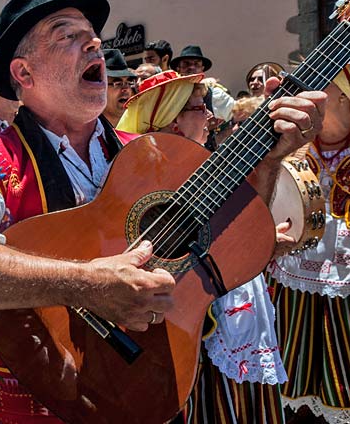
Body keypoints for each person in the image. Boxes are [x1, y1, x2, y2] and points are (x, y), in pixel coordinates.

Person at [0, 0, 325, 423]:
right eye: (65, 35)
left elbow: (226, 240)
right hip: (40, 400)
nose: (94, 43)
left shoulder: (146, 152)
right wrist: (83, 283)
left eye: (92, 35)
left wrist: (268, 160)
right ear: (24, 75)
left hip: (149, 377)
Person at [118, 71, 289, 422]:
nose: (210, 116)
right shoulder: (139, 179)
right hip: (184, 331)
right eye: (200, 107)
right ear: (174, 122)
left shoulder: (211, 166)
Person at [267, 66, 350, 424]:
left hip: (346, 294)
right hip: (292, 288)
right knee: (295, 397)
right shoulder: (289, 150)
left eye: (322, 85)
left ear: (344, 95)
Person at [101, 48, 137, 127]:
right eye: (118, 83)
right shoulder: (87, 136)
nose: (126, 89)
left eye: (129, 83)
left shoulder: (139, 130)